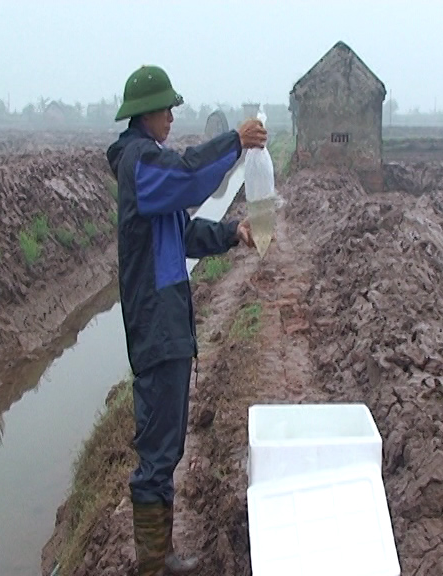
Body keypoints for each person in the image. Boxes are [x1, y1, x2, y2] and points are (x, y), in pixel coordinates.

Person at [106, 65, 267, 576]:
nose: (173, 116)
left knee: (168, 446)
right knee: (157, 452)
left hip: (169, 327)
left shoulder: (149, 169)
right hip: (157, 328)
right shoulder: (142, 163)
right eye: (166, 107)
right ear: (144, 112)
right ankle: (153, 564)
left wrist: (233, 233)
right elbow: (189, 175)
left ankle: (162, 556)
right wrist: (235, 142)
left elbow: (184, 234)